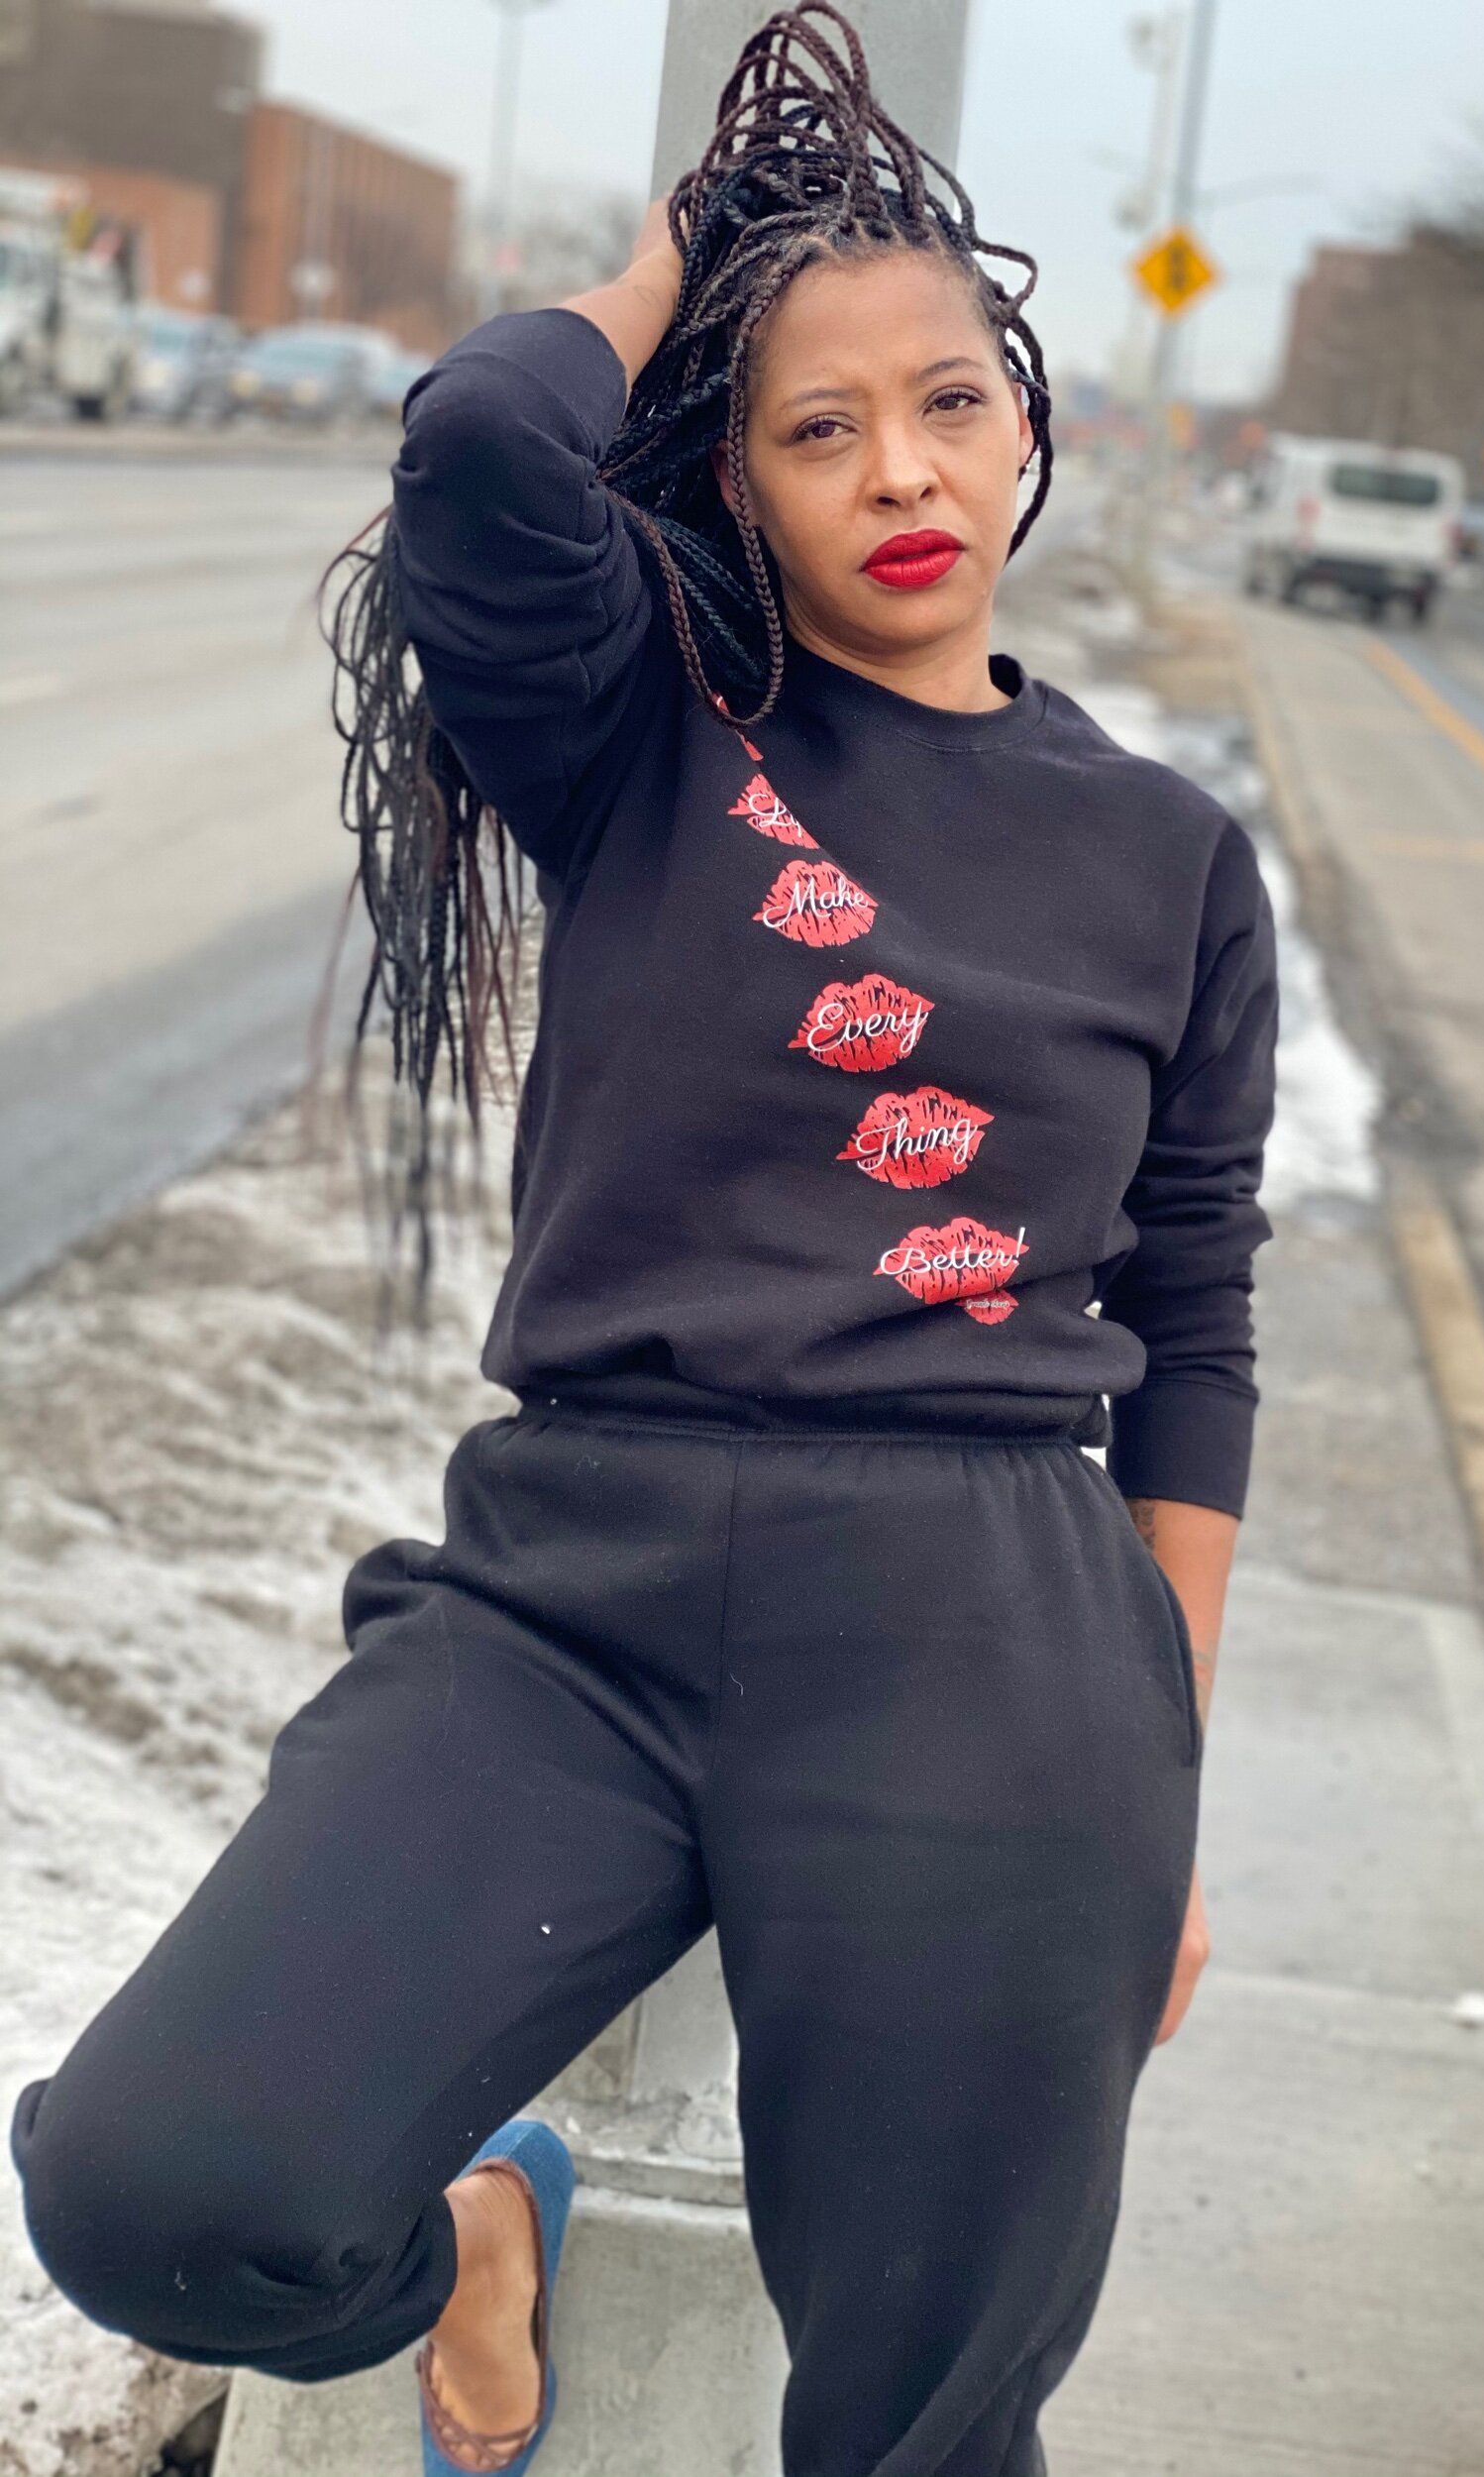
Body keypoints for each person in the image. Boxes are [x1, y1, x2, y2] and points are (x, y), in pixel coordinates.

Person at [9, 8, 1276, 2472]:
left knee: (922, 2418)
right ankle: (472, 2239)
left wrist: (1164, 1762)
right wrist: (693, 247)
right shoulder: (643, 719)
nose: (900, 468)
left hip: (983, 1622)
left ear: (1028, 425)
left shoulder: (1165, 858)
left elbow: (1194, 1315)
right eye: (817, 426)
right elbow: (484, 438)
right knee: (160, 2189)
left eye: (948, 402)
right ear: (730, 474)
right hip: (568, 1588)